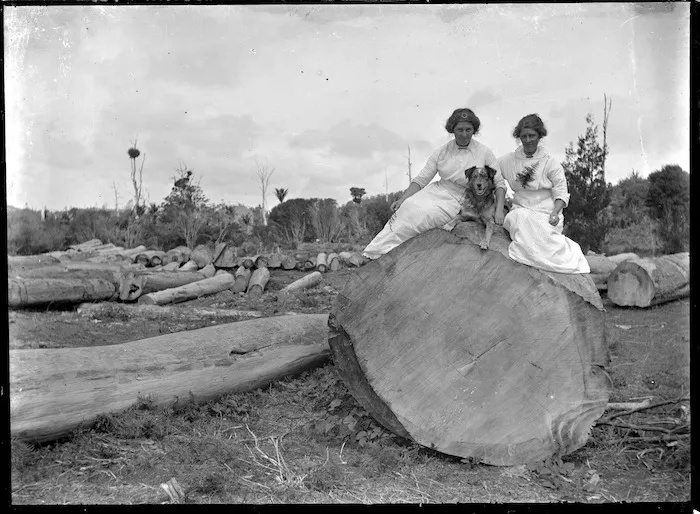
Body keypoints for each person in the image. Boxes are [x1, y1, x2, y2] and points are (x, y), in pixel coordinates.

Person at [362, 108, 507, 260]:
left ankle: (389, 255)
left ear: (474, 130)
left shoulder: (484, 152)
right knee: (409, 207)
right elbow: (422, 178)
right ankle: (373, 252)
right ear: (452, 130)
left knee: (424, 215)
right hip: (438, 190)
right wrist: (402, 198)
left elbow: (499, 184)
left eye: (468, 130)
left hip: (462, 197)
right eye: (460, 130)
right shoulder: (442, 152)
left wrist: (498, 211)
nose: (464, 134)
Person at [496, 113, 590, 274]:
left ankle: (552, 260)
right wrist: (499, 207)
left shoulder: (550, 162)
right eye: (524, 136)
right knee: (521, 219)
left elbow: (561, 192)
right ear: (519, 137)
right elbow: (494, 179)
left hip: (547, 211)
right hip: (520, 208)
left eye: (532, 136)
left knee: (544, 236)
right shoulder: (507, 160)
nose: (528, 140)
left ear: (539, 136)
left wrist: (555, 212)